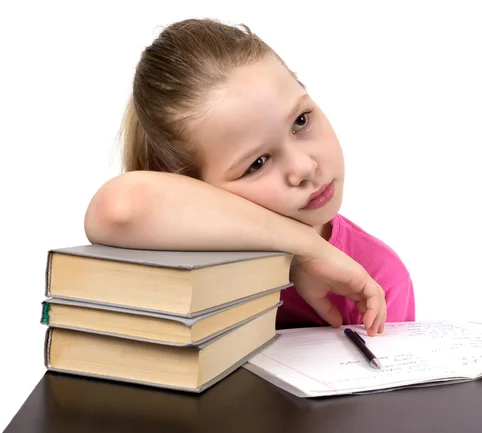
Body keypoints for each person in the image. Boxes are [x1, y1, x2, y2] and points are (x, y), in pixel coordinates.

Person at [83, 18, 415, 337]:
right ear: (192, 186)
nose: (303, 167)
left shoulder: (375, 279)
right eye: (256, 163)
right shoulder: (177, 247)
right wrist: (308, 249)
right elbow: (119, 208)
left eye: (300, 120)